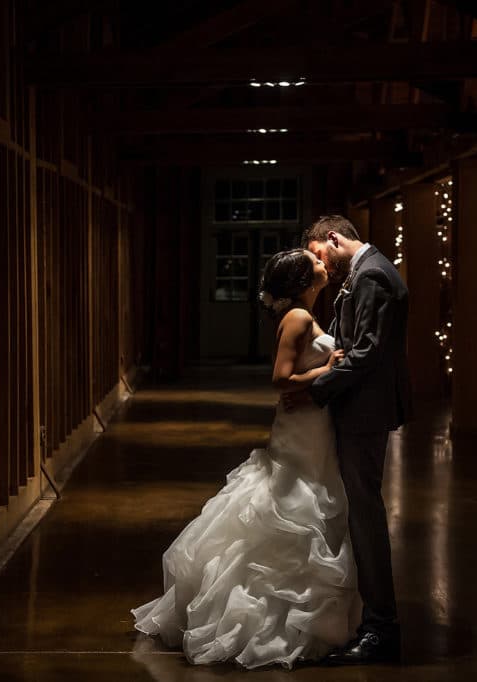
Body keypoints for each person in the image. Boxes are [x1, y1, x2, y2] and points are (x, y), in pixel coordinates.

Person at [131, 248, 362, 669]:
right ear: (300, 281)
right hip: (301, 429)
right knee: (295, 505)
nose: (321, 263)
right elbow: (280, 378)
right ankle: (267, 620)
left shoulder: (306, 314)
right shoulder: (296, 318)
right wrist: (327, 369)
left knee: (315, 498)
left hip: (312, 424)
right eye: (313, 263)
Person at [292, 214, 411, 665]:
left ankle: (382, 628)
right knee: (359, 512)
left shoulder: (374, 276)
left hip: (364, 413)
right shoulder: (368, 271)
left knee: (366, 516)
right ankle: (371, 617)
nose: (319, 265)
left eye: (319, 254)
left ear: (334, 239)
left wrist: (313, 389)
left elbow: (365, 353)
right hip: (359, 408)